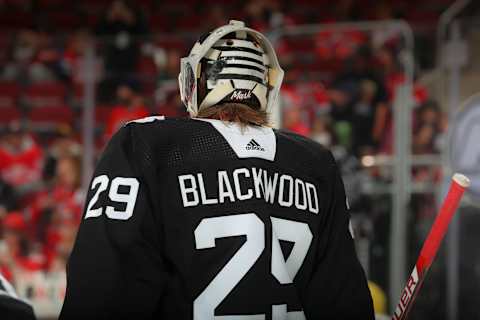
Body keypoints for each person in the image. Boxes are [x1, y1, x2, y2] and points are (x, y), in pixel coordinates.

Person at [60, 20, 374, 319]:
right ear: (267, 85)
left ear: (193, 81)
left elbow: (104, 284)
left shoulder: (147, 143)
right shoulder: (314, 162)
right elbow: (345, 302)